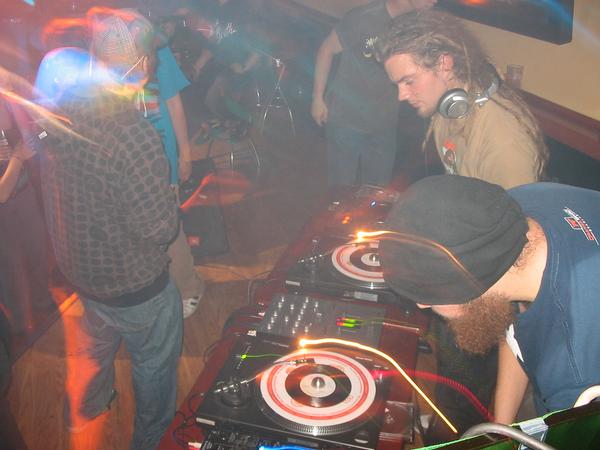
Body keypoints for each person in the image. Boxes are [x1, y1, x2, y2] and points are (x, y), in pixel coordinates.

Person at [373, 9, 548, 435]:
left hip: (488, 280)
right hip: (463, 258)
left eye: (408, 80)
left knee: (465, 374)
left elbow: (518, 245)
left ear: (445, 64)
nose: (401, 95)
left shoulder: (504, 141)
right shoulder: (449, 107)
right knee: (449, 361)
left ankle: (459, 432)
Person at [35, 11, 181, 450]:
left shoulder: (59, 109)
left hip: (81, 271)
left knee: (96, 344)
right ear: (142, 66)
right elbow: (158, 229)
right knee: (154, 363)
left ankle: (86, 410)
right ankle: (152, 440)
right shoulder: (133, 134)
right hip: (133, 285)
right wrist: (169, 198)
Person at [378, 174, 600, 427]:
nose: (422, 305)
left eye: (427, 295)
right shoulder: (520, 205)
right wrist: (501, 427)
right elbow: (518, 333)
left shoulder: (576, 374)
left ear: (467, 286)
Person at [311, 0, 436, 188]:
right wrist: (317, 98)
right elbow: (326, 49)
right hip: (346, 120)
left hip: (384, 125)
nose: (435, 1)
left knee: (376, 192)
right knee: (341, 190)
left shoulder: (414, 24)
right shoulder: (364, 17)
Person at [0, 72, 54, 336]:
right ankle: (20, 324)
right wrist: (18, 159)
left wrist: (45, 131)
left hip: (25, 193)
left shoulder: (14, 107)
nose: (8, 88)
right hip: (4, 205)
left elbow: (38, 137)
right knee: (10, 265)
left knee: (37, 248)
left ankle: (42, 300)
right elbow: (1, 194)